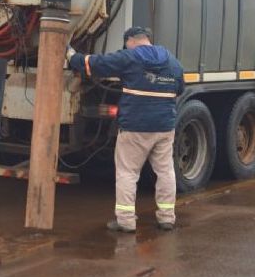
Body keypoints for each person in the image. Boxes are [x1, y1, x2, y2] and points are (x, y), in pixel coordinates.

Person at [67, 27, 184, 233]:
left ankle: (126, 221)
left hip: (135, 126)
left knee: (128, 173)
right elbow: (180, 88)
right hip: (165, 126)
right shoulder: (173, 62)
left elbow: (94, 64)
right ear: (147, 39)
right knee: (165, 171)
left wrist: (72, 55)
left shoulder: (129, 57)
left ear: (130, 41)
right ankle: (167, 218)